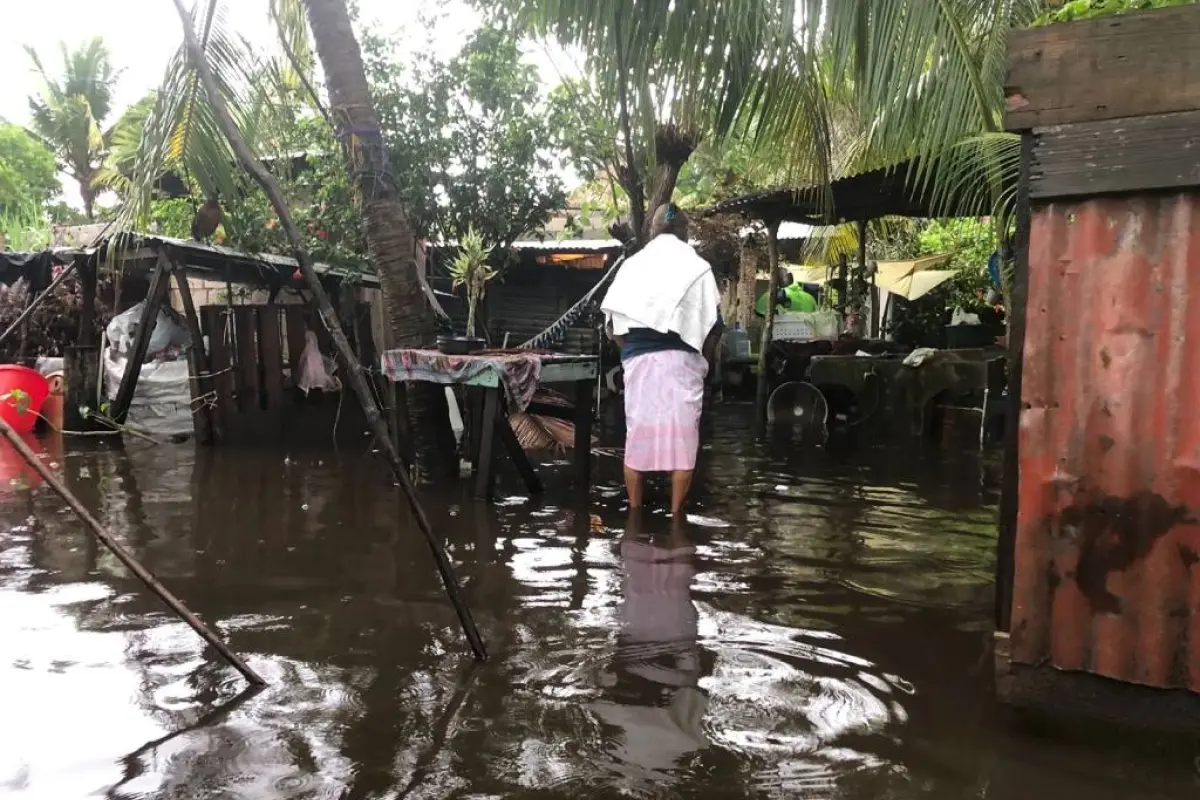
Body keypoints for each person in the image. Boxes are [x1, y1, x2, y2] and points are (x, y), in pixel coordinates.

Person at [601, 203, 723, 516]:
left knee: (637, 438)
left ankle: (635, 512)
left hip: (638, 360)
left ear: (653, 230)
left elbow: (613, 327)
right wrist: (704, 365)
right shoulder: (699, 268)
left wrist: (630, 352)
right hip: (684, 361)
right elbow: (713, 328)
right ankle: (677, 521)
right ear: (685, 232)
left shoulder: (632, 266)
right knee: (683, 446)